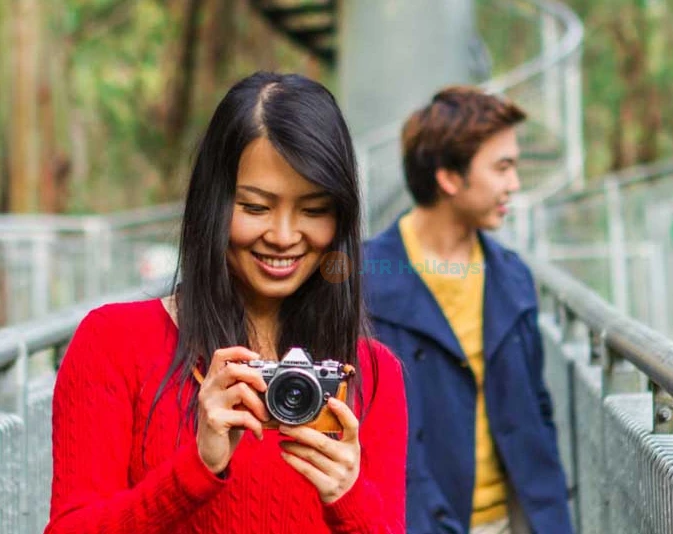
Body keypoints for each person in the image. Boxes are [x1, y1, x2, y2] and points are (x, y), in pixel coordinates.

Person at [45, 72, 407, 534]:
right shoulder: (114, 344)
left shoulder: (372, 374)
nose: (282, 236)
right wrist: (195, 469)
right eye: (255, 207)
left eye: (314, 210)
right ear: (212, 203)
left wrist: (349, 499)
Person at [362, 86, 573, 534]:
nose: (513, 184)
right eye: (502, 168)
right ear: (449, 178)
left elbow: (537, 410)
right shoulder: (363, 282)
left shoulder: (513, 277)